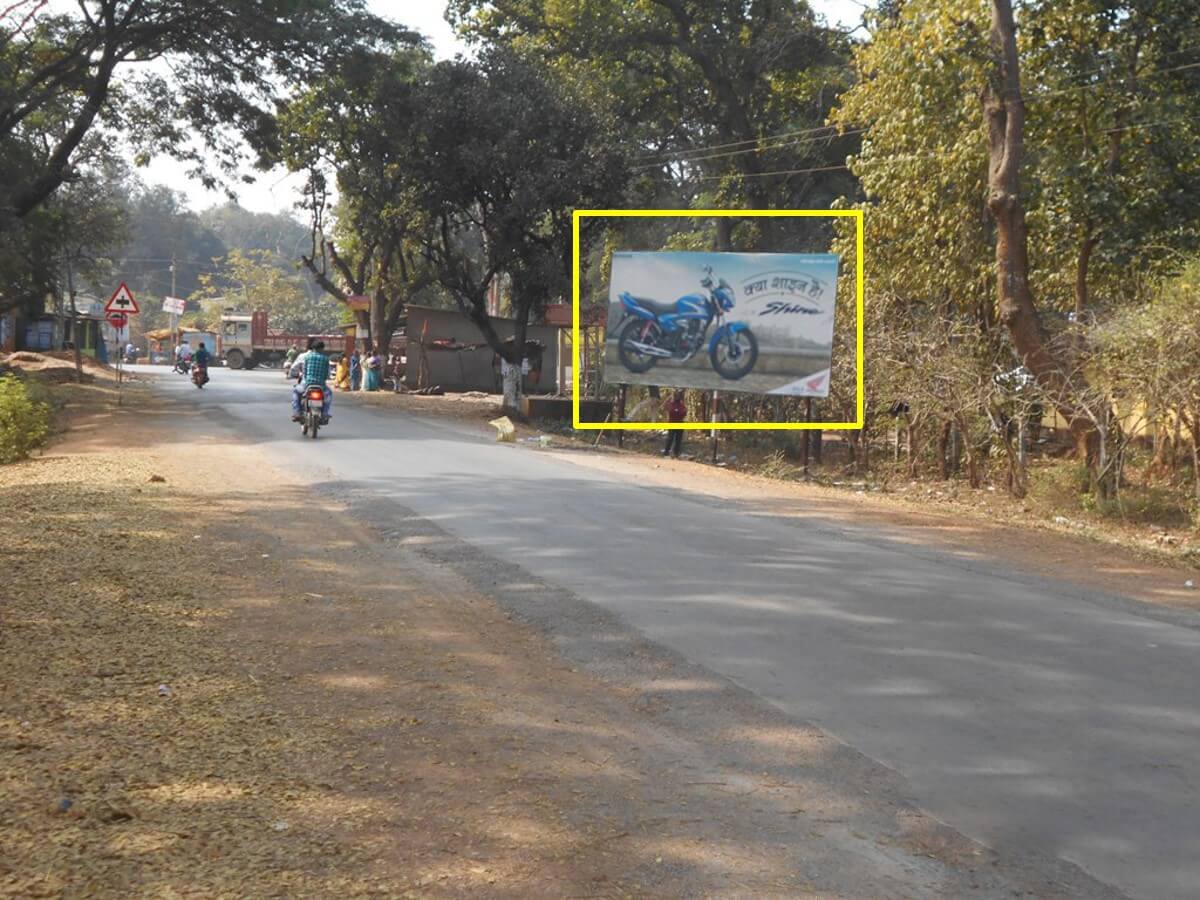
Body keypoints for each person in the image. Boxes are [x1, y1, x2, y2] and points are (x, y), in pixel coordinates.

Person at [289, 340, 332, 423]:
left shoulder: (307, 357)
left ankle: (297, 413)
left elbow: (304, 371)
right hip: (321, 385)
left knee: (296, 392)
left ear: (313, 348)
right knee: (329, 394)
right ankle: (325, 413)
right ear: (322, 349)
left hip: (307, 384)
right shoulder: (326, 359)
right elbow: (328, 374)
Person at [662, 390, 687, 458]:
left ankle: (676, 453)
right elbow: (664, 407)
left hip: (679, 423)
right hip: (672, 423)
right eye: (676, 395)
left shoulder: (682, 405)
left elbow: (684, 413)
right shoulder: (671, 404)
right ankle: (666, 452)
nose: (677, 397)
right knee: (670, 438)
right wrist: (669, 397)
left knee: (678, 439)